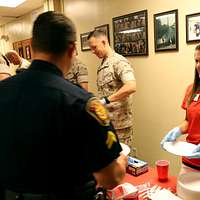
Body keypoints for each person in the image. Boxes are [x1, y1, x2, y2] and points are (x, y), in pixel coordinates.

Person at [0, 11, 127, 200]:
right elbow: (110, 178)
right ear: (71, 49)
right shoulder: (82, 103)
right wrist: (123, 161)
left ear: (33, 48)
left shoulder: (3, 90)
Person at [87, 30, 136, 151]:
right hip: (108, 122)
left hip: (120, 125)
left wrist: (106, 100)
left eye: (94, 47)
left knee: (122, 160)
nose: (93, 52)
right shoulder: (104, 63)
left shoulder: (118, 61)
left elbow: (131, 86)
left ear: (103, 42)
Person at [161, 44, 200, 174]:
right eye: (196, 61)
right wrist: (177, 130)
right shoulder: (191, 89)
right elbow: (189, 121)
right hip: (190, 159)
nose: (198, 65)